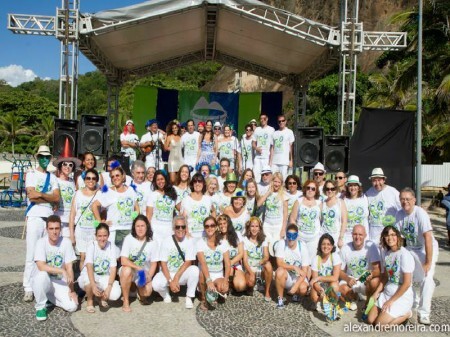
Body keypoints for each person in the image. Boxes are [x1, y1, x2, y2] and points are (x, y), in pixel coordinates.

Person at [395, 187, 438, 325]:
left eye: (408, 199)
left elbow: (428, 238)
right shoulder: (399, 214)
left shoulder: (421, 214)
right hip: (411, 248)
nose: (405, 202)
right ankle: (414, 302)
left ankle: (424, 312)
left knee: (427, 278)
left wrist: (427, 262)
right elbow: (398, 238)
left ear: (414, 200)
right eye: (402, 199)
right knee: (408, 275)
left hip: (427, 247)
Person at [23, 145, 60, 302]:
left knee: (44, 254)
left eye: (47, 157)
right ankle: (28, 287)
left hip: (48, 218)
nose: (44, 159)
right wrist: (48, 196)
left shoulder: (53, 177)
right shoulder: (31, 174)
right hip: (35, 216)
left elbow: (57, 198)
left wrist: (41, 195)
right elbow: (31, 196)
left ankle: (40, 285)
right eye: (42, 157)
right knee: (31, 253)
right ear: (38, 157)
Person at [31, 215, 78, 321]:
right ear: (46, 229)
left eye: (57, 228)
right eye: (51, 229)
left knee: (72, 306)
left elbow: (69, 268)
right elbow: (41, 266)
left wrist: (71, 290)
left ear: (60, 229)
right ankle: (40, 307)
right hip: (43, 280)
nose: (54, 232)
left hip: (58, 281)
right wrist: (61, 270)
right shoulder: (41, 243)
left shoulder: (66, 242)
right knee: (42, 275)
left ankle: (49, 298)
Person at [367, 226, 414, 328]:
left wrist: (391, 301)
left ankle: (407, 314)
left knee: (380, 326)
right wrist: (376, 293)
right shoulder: (386, 253)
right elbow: (385, 276)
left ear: (398, 237)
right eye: (387, 235)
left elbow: (407, 283)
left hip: (400, 296)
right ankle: (387, 315)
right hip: (387, 293)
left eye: (393, 235)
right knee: (370, 320)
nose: (390, 238)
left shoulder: (404, 255)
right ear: (383, 238)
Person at [152, 216, 199, 309]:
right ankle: (165, 295)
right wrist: (170, 281)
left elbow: (188, 262)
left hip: (181, 274)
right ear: (173, 228)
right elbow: (163, 263)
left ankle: (189, 296)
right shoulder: (166, 241)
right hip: (168, 273)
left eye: (183, 226)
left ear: (186, 227)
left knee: (195, 270)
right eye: (177, 227)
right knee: (155, 284)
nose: (180, 229)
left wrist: (176, 278)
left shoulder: (189, 241)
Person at [92, 165, 139, 250]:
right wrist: (100, 223)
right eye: (112, 176)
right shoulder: (108, 191)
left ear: (123, 176)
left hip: (129, 230)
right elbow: (94, 206)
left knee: (128, 259)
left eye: (117, 175)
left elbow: (137, 208)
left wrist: (135, 219)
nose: (115, 178)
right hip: (114, 231)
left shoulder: (131, 190)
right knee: (115, 260)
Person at [77, 223, 121, 313]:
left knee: (115, 294)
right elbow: (89, 266)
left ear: (108, 235)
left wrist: (109, 287)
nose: (102, 238)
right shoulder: (91, 246)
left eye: (105, 236)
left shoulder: (112, 247)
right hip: (90, 274)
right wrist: (93, 285)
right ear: (96, 236)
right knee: (89, 282)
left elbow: (113, 268)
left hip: (104, 275)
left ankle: (101, 297)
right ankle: (90, 300)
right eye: (99, 236)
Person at [120, 215, 159, 312]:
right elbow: (123, 260)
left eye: (142, 226)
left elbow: (154, 263)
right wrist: (137, 267)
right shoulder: (129, 239)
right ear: (134, 227)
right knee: (126, 270)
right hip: (131, 270)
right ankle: (126, 300)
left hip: (143, 274)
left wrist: (149, 276)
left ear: (147, 227)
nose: (140, 229)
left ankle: (138, 290)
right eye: (138, 226)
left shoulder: (153, 242)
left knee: (147, 292)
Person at [338, 225, 381, 311]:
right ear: (352, 235)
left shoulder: (371, 247)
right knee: (341, 289)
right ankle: (355, 298)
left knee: (375, 282)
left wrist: (370, 275)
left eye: (360, 234)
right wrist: (347, 279)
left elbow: (378, 269)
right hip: (352, 278)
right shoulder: (345, 248)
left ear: (365, 235)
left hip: (365, 278)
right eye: (355, 234)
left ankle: (368, 301)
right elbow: (339, 271)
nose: (357, 237)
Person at [197, 216, 231, 311]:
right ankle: (204, 299)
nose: (210, 228)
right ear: (204, 228)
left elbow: (228, 263)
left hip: (218, 273)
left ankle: (214, 292)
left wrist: (226, 279)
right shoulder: (200, 242)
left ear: (216, 227)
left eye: (212, 225)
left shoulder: (223, 242)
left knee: (223, 288)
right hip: (205, 273)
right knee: (201, 273)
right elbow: (203, 263)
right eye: (207, 226)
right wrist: (208, 280)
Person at [69, 168, 100, 270]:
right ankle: (83, 279)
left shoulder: (100, 194)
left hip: (94, 230)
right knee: (83, 256)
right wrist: (71, 234)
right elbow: (72, 214)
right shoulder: (78, 193)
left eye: (93, 178)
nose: (91, 180)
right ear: (84, 179)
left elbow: (104, 212)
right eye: (88, 178)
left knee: (93, 256)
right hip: (81, 230)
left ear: (96, 180)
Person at [274, 224, 310, 308]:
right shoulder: (281, 243)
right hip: (287, 276)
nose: (291, 238)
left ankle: (295, 293)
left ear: (297, 236)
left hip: (298, 277)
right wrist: (294, 267)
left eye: (293, 236)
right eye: (289, 235)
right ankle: (280, 299)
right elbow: (279, 263)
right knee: (279, 271)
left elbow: (304, 271)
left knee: (303, 288)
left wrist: (296, 286)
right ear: (286, 235)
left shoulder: (303, 247)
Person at [53, 139, 81, 238]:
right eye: (65, 164)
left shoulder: (72, 182)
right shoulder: (55, 180)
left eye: (70, 165)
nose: (67, 167)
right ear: (60, 166)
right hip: (57, 218)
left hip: (69, 219)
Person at [365, 168, 401, 244]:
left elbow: (402, 211)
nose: (377, 183)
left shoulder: (393, 192)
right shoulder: (368, 193)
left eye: (379, 180)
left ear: (384, 180)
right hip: (373, 236)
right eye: (374, 180)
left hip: (389, 236)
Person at [289, 180, 322, 260]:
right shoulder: (298, 201)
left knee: (311, 261)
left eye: (313, 189)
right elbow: (292, 218)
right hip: (300, 237)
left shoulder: (319, 203)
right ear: (305, 189)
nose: (310, 190)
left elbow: (321, 220)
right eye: (308, 188)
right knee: (300, 259)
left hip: (314, 238)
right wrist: (295, 235)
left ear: (316, 191)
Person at [310, 233, 342, 313]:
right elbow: (314, 281)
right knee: (314, 297)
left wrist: (319, 278)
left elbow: (335, 277)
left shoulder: (335, 256)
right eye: (323, 244)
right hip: (320, 285)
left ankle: (333, 304)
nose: (326, 246)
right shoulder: (315, 259)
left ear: (332, 246)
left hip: (331, 284)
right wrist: (320, 290)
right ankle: (321, 302)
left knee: (334, 285)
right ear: (320, 245)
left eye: (328, 244)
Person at [242, 216, 273, 300]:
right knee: (250, 282)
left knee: (269, 265)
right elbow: (244, 260)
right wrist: (251, 273)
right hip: (249, 266)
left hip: (260, 265)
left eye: (256, 226)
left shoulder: (264, 239)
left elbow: (266, 256)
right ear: (248, 228)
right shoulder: (244, 239)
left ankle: (267, 291)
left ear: (260, 228)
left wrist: (260, 263)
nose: (254, 229)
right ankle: (252, 284)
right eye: (252, 226)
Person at [257, 172, 288, 250]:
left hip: (278, 226)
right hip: (267, 225)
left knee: (276, 248)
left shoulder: (284, 194)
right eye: (275, 181)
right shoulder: (267, 192)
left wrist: (283, 229)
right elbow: (258, 204)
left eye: (279, 182)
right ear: (272, 181)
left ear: (281, 183)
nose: (276, 184)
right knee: (267, 248)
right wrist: (268, 193)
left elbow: (285, 214)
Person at [180, 173, 215, 239]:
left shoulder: (207, 199)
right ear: (192, 184)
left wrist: (213, 227)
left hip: (205, 236)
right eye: (195, 181)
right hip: (191, 236)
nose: (197, 183)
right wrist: (186, 232)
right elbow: (182, 218)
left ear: (203, 184)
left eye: (200, 181)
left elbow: (214, 212)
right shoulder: (186, 199)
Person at [146, 170, 178, 243]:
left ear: (166, 179)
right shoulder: (152, 195)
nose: (160, 182)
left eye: (162, 179)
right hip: (156, 231)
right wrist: (149, 232)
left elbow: (180, 208)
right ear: (155, 182)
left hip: (169, 230)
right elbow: (148, 216)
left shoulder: (172, 193)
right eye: (158, 180)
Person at [217, 214, 246, 292]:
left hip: (235, 264)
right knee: (221, 289)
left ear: (228, 223)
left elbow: (241, 253)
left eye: (224, 223)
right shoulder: (217, 238)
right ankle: (228, 283)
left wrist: (230, 263)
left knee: (240, 286)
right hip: (222, 266)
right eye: (220, 224)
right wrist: (226, 265)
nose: (222, 225)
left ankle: (232, 283)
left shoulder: (237, 234)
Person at [321, 180, 347, 249]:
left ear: (336, 190)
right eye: (327, 189)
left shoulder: (340, 202)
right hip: (324, 237)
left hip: (336, 237)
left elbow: (344, 221)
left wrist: (341, 238)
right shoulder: (322, 203)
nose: (330, 191)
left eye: (332, 189)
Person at [343, 175, 369, 243]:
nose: (353, 188)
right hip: (348, 237)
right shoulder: (344, 200)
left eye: (355, 185)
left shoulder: (364, 198)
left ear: (359, 187)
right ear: (347, 187)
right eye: (350, 185)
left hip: (362, 236)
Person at [270, 114, 294, 180]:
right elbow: (272, 148)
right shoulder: (275, 133)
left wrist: (291, 160)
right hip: (275, 161)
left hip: (284, 161)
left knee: (284, 180)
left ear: (285, 121)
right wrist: (270, 162)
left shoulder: (289, 132)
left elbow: (291, 148)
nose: (281, 122)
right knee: (273, 180)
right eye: (279, 121)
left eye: (283, 121)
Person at [252, 112, 274, 182]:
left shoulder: (271, 129)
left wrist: (270, 161)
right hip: (257, 157)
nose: (262, 120)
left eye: (264, 118)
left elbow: (272, 147)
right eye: (261, 119)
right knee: (256, 177)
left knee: (266, 178)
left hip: (266, 157)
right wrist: (256, 148)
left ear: (267, 119)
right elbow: (253, 144)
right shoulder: (257, 130)